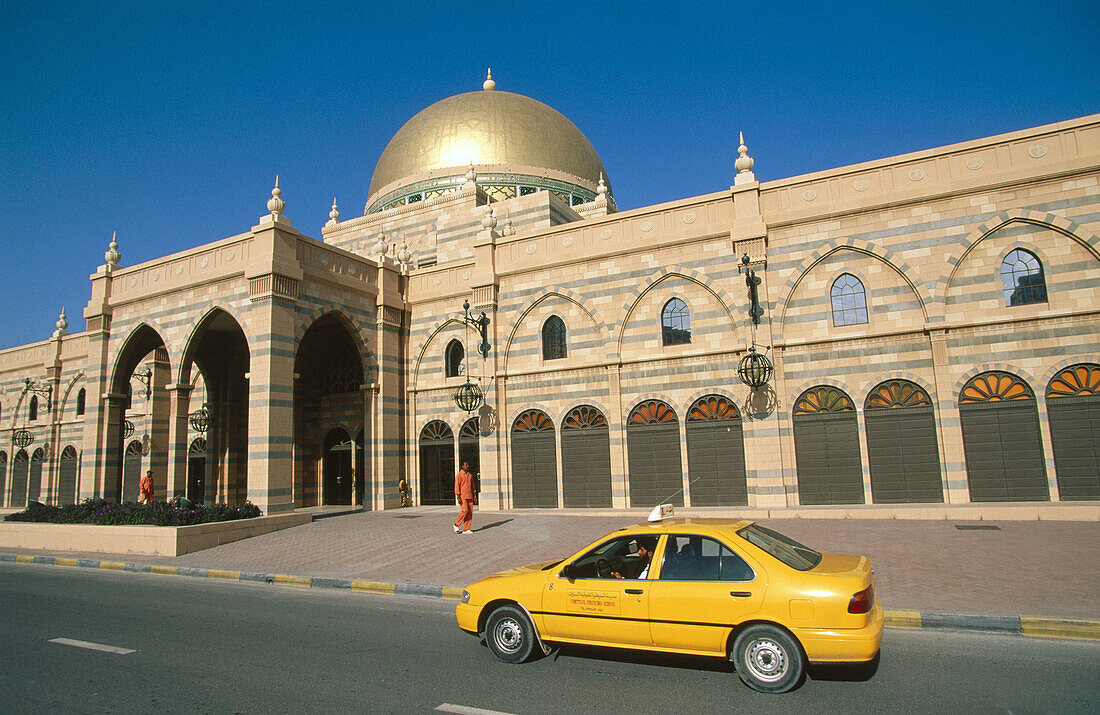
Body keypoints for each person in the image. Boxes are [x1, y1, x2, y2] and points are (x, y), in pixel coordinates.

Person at [453, 461, 477, 534]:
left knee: (470, 512)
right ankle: (456, 524)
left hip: (469, 495)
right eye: (466, 465)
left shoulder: (470, 475)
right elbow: (457, 486)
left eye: (468, 465)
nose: (467, 466)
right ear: (462, 466)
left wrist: (474, 495)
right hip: (462, 496)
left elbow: (472, 486)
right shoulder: (459, 475)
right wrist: (458, 496)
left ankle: (466, 529)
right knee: (465, 510)